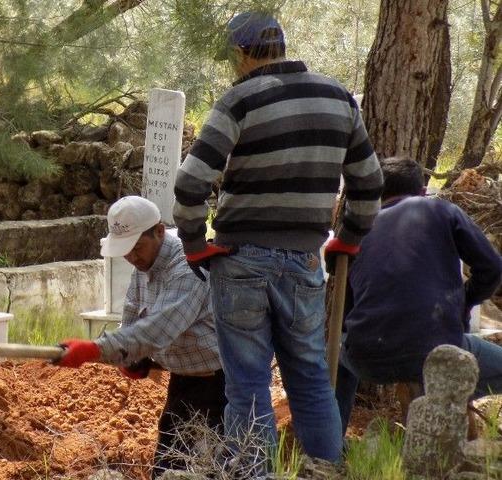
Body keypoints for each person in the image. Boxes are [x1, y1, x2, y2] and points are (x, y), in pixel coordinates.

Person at [172, 11, 383, 462]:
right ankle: (326, 471)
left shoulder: (239, 100)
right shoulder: (338, 98)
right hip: (305, 259)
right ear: (282, 47)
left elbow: (191, 184)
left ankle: (253, 474)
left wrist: (193, 244)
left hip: (240, 258)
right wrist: (348, 237)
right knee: (309, 378)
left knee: (247, 383)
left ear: (239, 53)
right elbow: (369, 184)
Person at [57, 195, 226, 478]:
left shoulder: (188, 269)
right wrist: (135, 357)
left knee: (209, 470)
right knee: (166, 468)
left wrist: (93, 350)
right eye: (125, 250)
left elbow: (154, 331)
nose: (132, 257)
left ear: (159, 231)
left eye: (137, 247)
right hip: (183, 381)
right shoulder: (144, 266)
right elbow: (134, 318)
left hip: (219, 387)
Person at [335, 157, 502, 432]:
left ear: (378, 194)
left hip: (368, 360)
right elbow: (493, 268)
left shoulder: (359, 230)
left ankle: (333, 444)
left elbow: (347, 312)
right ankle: (449, 418)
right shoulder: (442, 210)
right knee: (457, 363)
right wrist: (465, 302)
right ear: (423, 191)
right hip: (437, 351)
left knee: (340, 353)